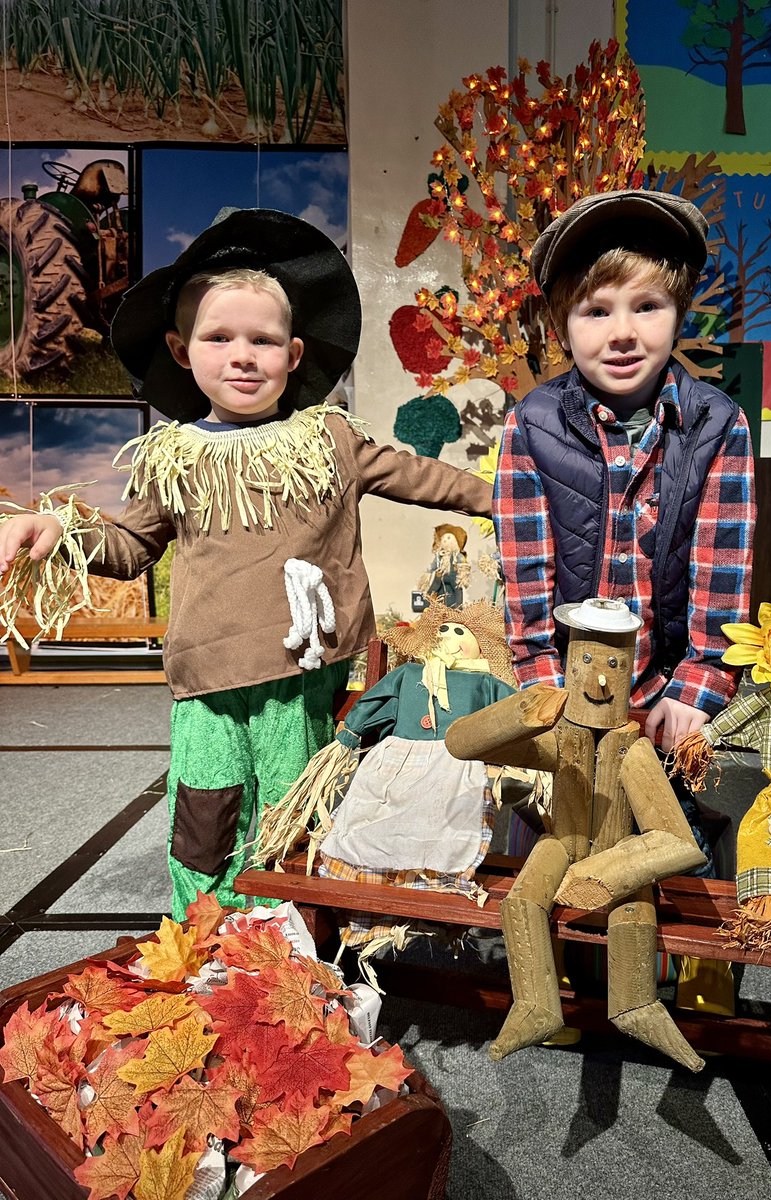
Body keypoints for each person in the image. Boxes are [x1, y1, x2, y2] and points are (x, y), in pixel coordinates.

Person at [0, 208, 491, 919]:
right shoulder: (172, 456)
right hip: (205, 674)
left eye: (263, 340)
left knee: (291, 802)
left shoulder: (325, 436)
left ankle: (287, 936)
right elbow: (129, 544)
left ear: (293, 355)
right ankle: (202, 932)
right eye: (219, 337)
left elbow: (421, 478)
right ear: (181, 349)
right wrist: (60, 527)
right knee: (205, 802)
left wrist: (504, 498)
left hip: (295, 670)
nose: (242, 355)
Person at [494, 188, 755, 871]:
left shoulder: (718, 424)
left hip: (665, 696)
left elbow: (721, 572)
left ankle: (679, 974)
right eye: (596, 310)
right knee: (556, 859)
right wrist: (546, 688)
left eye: (647, 307)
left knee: (673, 860)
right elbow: (526, 576)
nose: (622, 333)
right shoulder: (533, 424)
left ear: (678, 312)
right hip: (564, 694)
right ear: (561, 321)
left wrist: (697, 684)